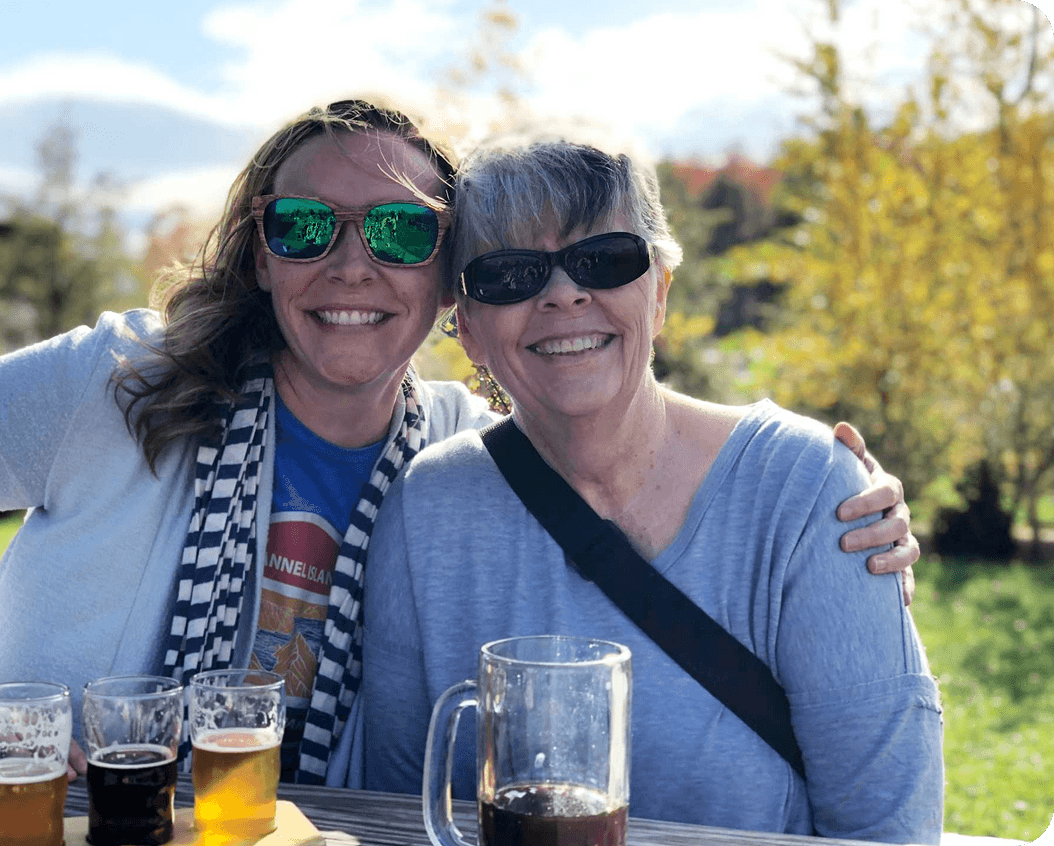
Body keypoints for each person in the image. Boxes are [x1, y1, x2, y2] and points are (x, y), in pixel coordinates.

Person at [0, 100, 916, 790]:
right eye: (306, 227)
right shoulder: (109, 386)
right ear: (260, 251)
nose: (350, 266)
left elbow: (612, 465)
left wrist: (850, 519)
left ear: (445, 284)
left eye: (398, 231)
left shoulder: (461, 460)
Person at [361, 137, 943, 842]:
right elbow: (394, 815)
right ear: (471, 330)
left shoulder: (810, 493)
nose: (564, 294)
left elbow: (887, 826)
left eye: (604, 259)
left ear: (660, 293)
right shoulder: (426, 514)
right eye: (511, 274)